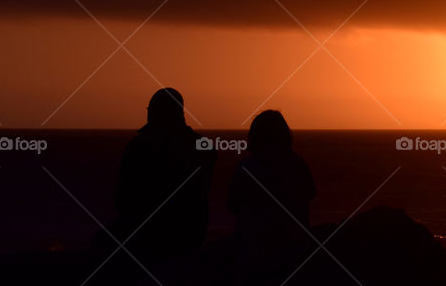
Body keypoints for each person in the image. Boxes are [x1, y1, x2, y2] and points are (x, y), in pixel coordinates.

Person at [111, 88, 216, 260]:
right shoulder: (204, 148)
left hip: (151, 236)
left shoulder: (139, 148)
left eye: (150, 111)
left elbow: (122, 201)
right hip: (191, 232)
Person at [228, 110, 316, 253]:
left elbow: (232, 204)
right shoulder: (297, 165)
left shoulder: (246, 167)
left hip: (254, 247)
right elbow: (310, 193)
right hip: (293, 246)